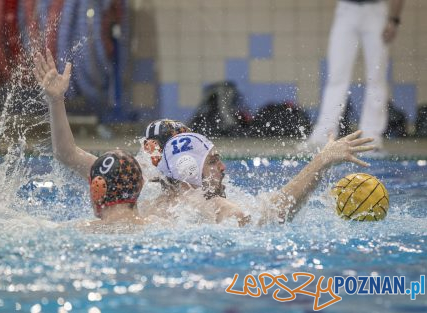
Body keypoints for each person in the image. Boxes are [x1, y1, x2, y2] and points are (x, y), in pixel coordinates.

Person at [157, 130, 375, 225]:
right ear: (189, 173)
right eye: (212, 162)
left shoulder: (151, 207)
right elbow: (273, 216)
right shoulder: (214, 205)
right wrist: (322, 160)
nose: (223, 167)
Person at [33, 49, 148, 227]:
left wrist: (55, 101)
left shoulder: (82, 229)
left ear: (97, 190)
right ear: (140, 185)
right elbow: (68, 154)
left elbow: (66, 153)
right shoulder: (161, 223)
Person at [306, 0, 405, 150]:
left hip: (376, 11)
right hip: (347, 9)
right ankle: (323, 135)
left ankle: (371, 137)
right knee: (336, 77)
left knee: (376, 77)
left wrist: (394, 19)